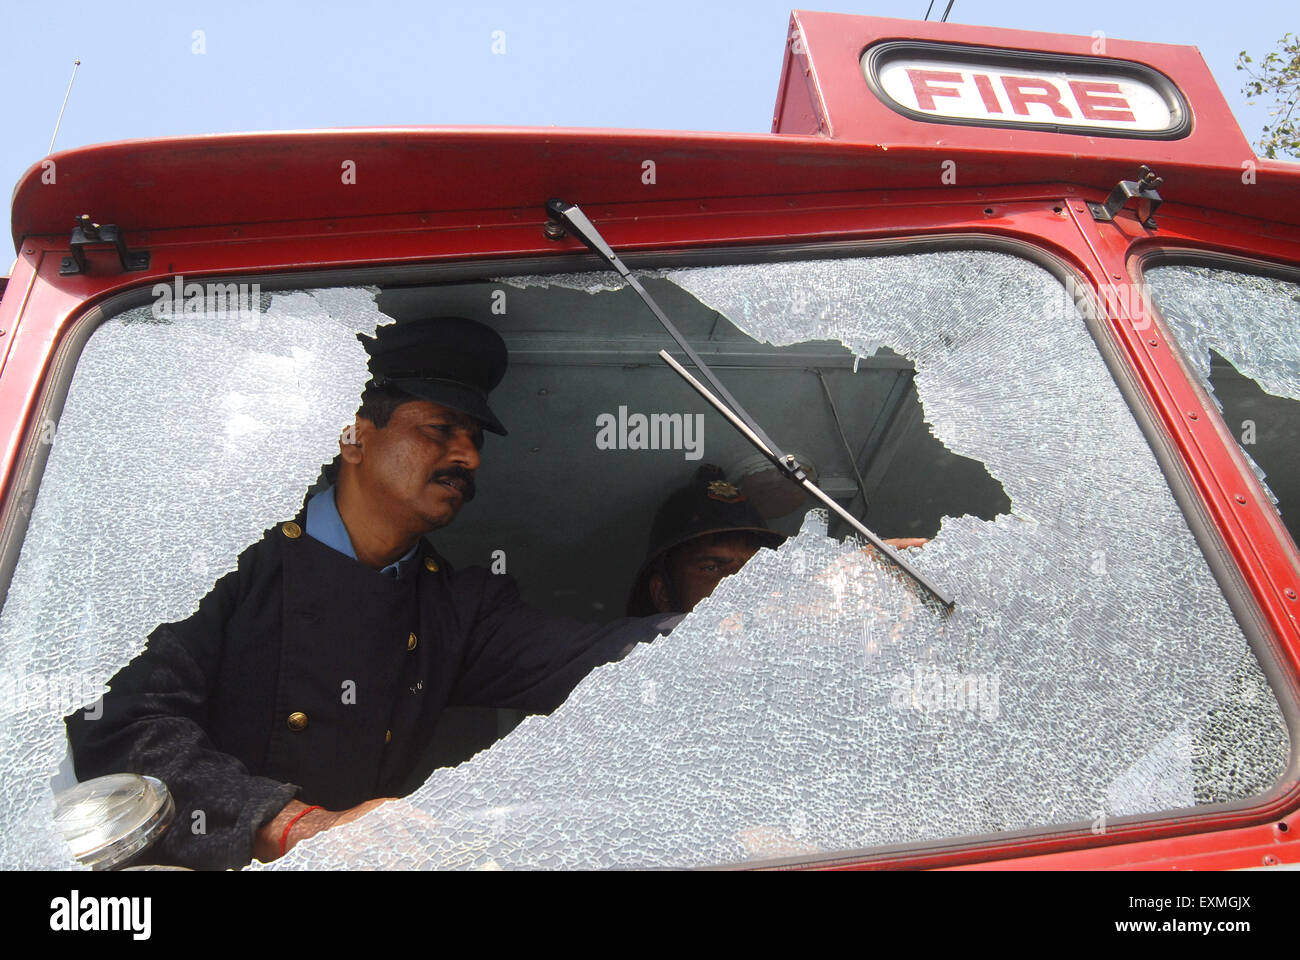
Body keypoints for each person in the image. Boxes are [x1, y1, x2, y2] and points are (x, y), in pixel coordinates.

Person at [65, 316, 677, 870]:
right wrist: (290, 824)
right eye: (441, 429)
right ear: (353, 438)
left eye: (475, 440)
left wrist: (737, 619)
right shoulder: (223, 562)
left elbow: (597, 655)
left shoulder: (457, 607)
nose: (469, 457)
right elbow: (123, 729)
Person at [627, 464, 928, 617]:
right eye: (712, 567)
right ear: (662, 593)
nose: (740, 581)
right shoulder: (619, 664)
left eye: (753, 567)